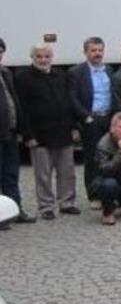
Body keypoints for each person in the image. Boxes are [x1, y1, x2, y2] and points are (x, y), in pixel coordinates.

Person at [15, 43, 78, 220]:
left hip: (63, 131)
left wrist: (73, 127)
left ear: (52, 57)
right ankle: (46, 206)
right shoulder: (23, 78)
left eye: (46, 56)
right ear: (32, 58)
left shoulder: (60, 75)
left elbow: (68, 102)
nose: (43, 60)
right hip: (39, 135)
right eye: (39, 57)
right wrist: (28, 135)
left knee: (68, 172)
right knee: (43, 174)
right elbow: (22, 109)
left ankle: (67, 202)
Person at [68, 36, 113, 204]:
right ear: (85, 52)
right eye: (93, 50)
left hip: (108, 118)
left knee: (109, 157)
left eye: (100, 50)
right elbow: (72, 98)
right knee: (93, 159)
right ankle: (94, 195)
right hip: (91, 120)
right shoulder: (76, 72)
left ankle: (108, 193)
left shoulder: (108, 70)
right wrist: (85, 116)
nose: (97, 53)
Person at [0, 38, 37, 228]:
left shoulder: (6, 73)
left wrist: (26, 132)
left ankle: (15, 209)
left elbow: (15, 103)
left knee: (11, 175)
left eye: (0, 51)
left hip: (10, 132)